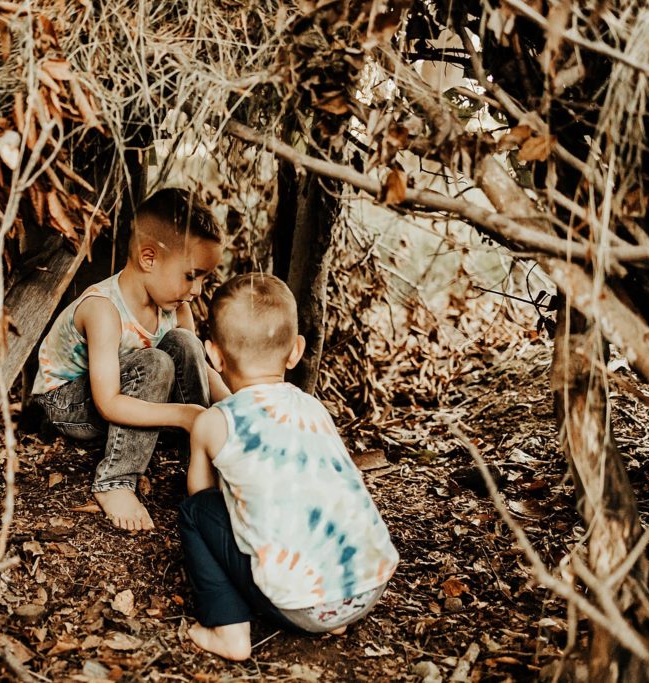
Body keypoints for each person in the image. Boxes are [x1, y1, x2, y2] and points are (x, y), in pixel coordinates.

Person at [180, 273, 398, 660]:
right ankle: (336, 610)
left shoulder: (214, 421)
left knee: (195, 514)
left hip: (302, 606)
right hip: (370, 586)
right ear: (296, 351)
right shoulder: (312, 409)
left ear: (212, 355)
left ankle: (228, 631)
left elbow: (202, 494)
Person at [32, 188, 231, 531]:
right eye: (191, 275)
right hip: (67, 403)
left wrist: (237, 408)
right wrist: (184, 414)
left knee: (184, 342)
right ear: (149, 258)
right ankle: (115, 482)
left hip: (126, 390)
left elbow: (201, 368)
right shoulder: (103, 309)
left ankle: (204, 457)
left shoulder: (177, 306)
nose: (197, 290)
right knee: (155, 361)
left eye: (204, 278)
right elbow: (107, 402)